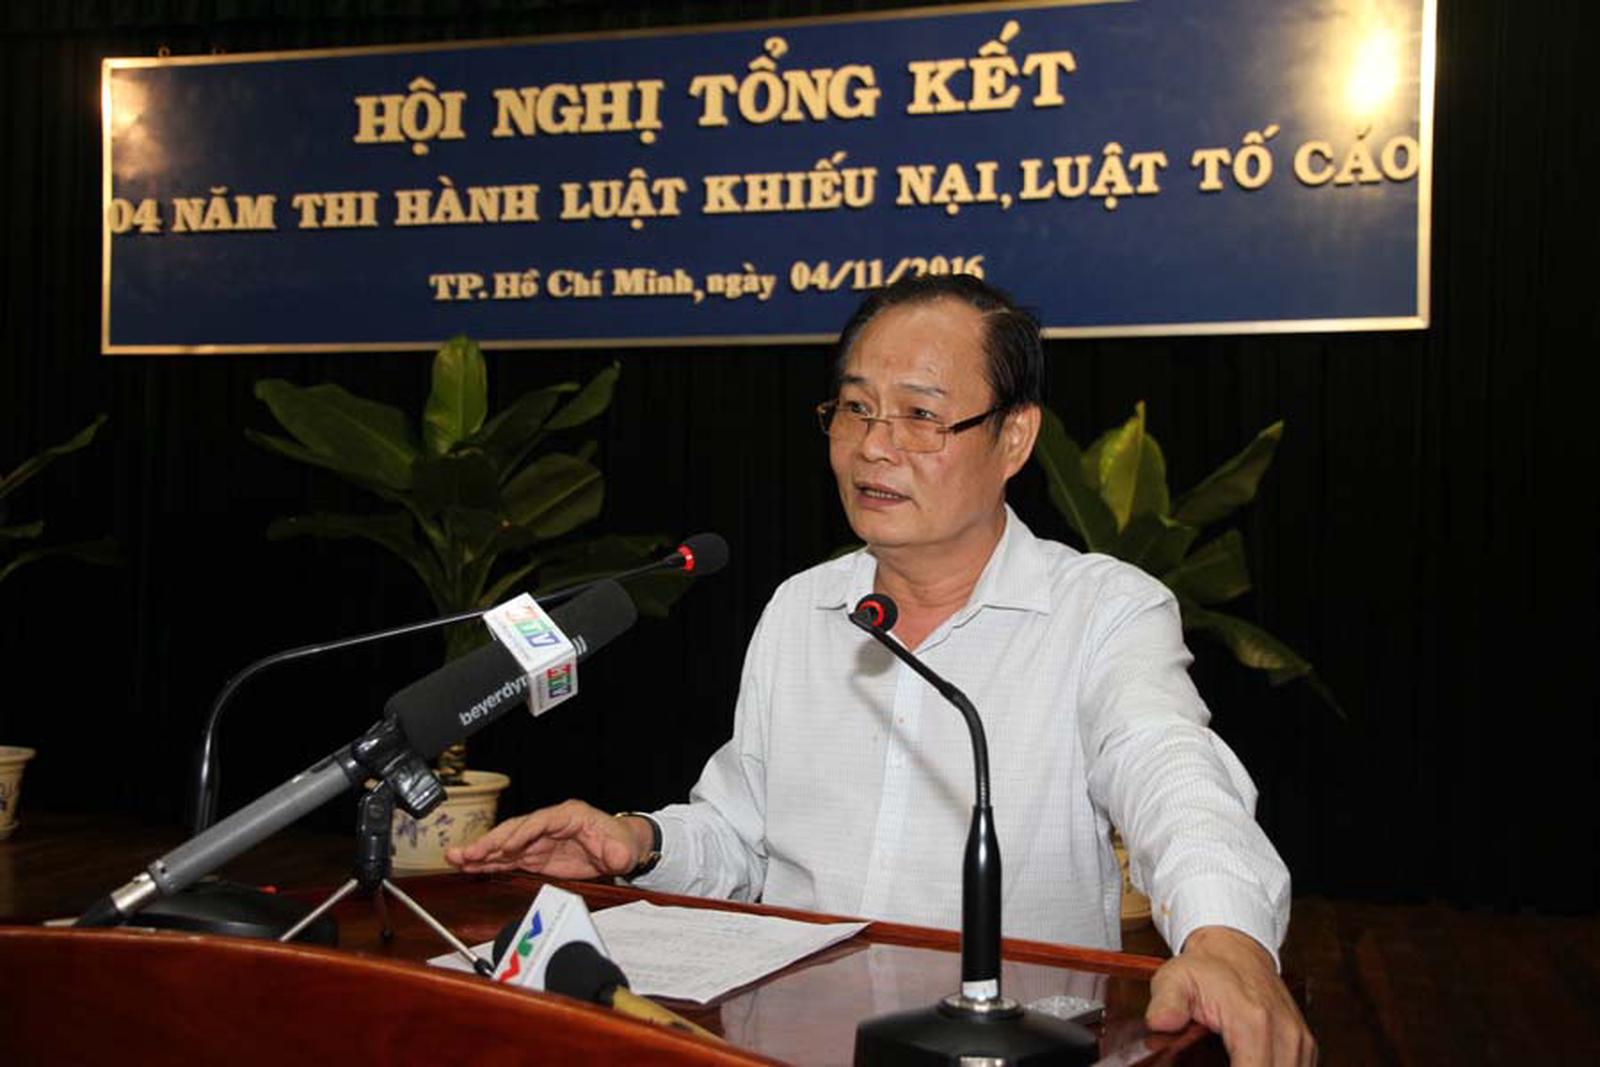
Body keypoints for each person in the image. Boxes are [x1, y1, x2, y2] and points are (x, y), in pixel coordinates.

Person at [448, 274, 1315, 1066]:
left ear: (1014, 436)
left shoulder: (1102, 611)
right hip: (797, 1044)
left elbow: (1172, 775)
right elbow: (742, 835)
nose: (874, 447)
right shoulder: (802, 609)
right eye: (856, 409)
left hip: (1010, 1050)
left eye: (921, 415)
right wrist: (637, 840)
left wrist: (1227, 938)